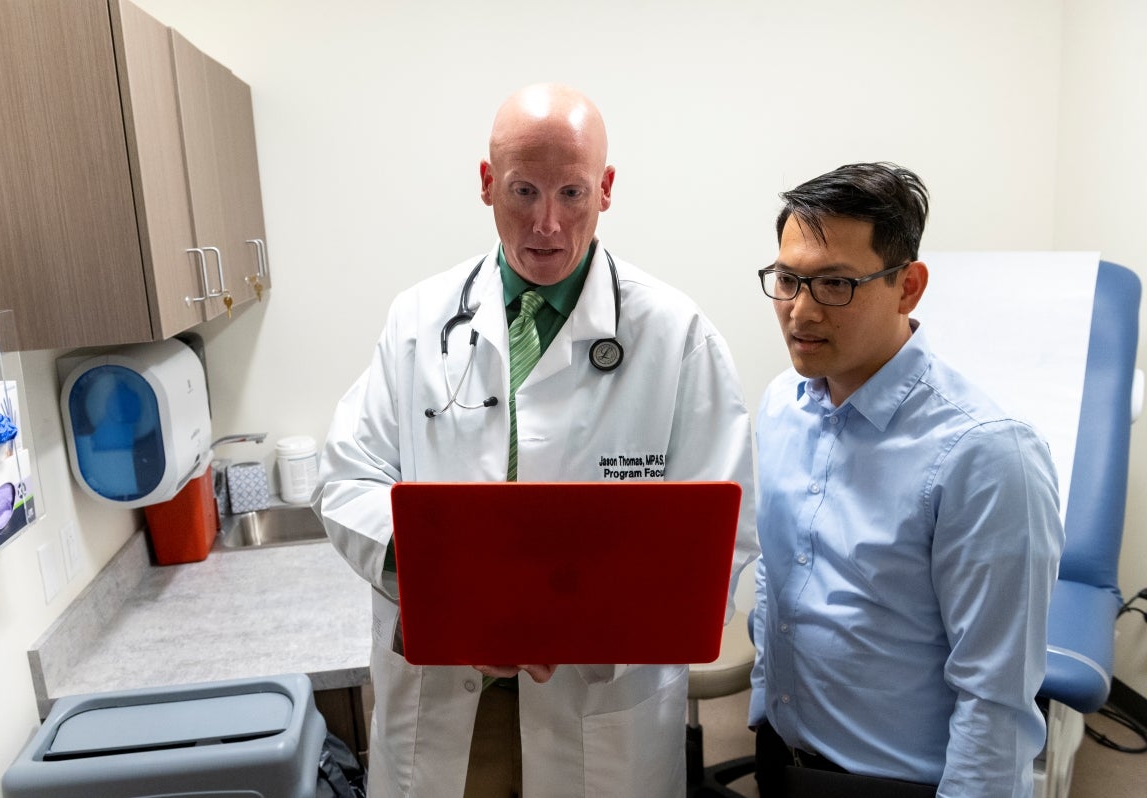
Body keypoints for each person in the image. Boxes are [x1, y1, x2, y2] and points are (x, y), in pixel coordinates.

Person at [316, 83, 757, 798]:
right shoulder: (417, 321)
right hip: (449, 702)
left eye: (572, 193)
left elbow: (726, 534)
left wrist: (588, 627)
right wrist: (441, 582)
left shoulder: (677, 336)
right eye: (523, 191)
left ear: (606, 189)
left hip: (598, 702)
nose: (547, 224)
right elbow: (346, 477)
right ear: (487, 184)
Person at [749, 162, 1064, 797]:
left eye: (836, 284)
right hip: (780, 752)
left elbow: (996, 697)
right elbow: (776, 572)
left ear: (908, 286)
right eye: (787, 280)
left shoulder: (986, 453)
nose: (801, 312)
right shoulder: (783, 403)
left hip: (899, 782)